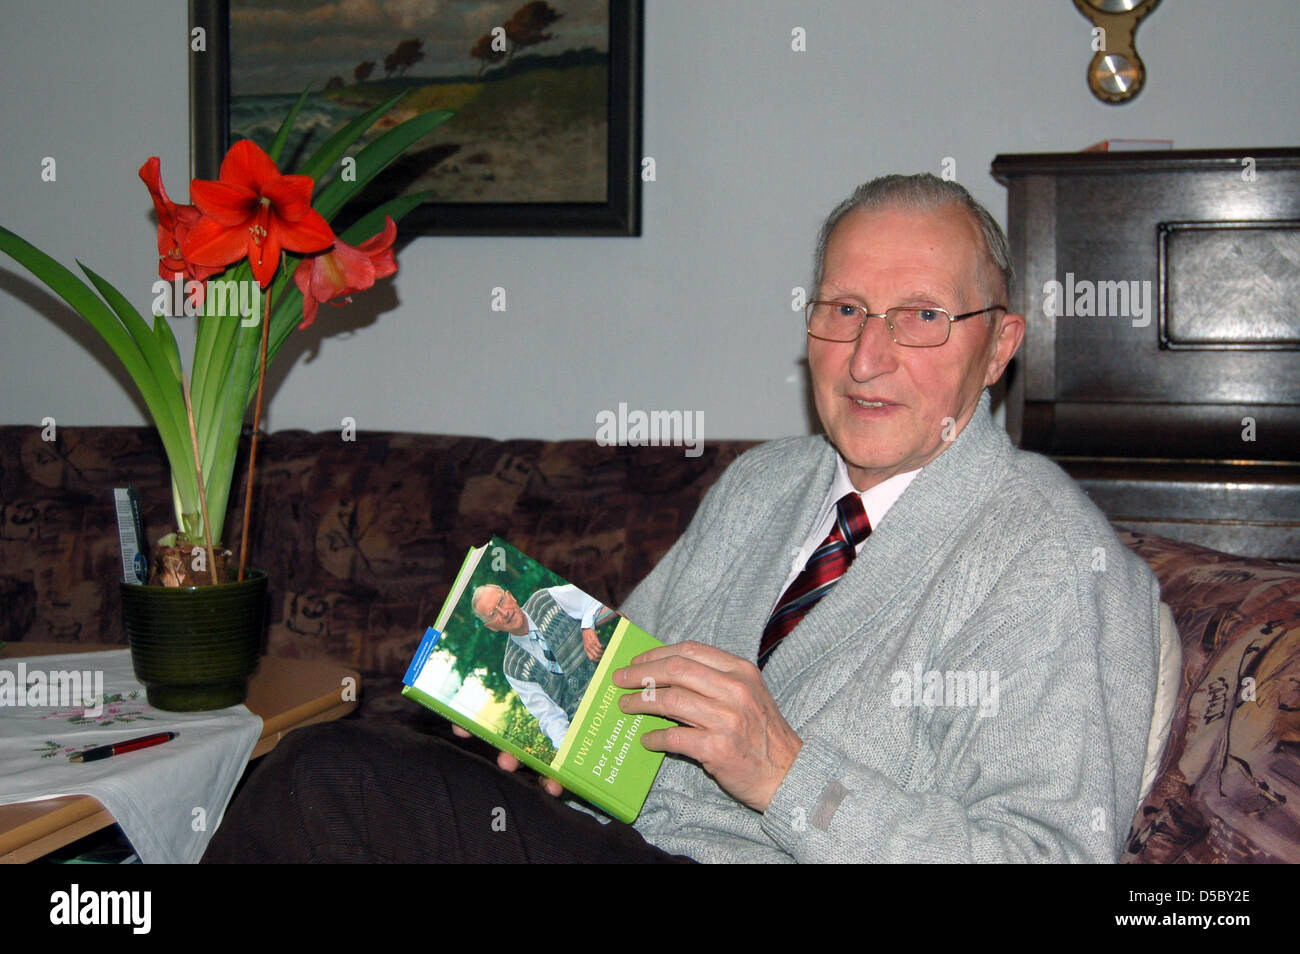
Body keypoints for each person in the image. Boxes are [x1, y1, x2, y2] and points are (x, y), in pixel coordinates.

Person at [202, 173, 1160, 864]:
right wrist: (558, 745)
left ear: (998, 348)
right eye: (844, 310)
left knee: (335, 781)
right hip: (620, 840)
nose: (868, 359)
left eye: (920, 318)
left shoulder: (1047, 552)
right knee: (362, 761)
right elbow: (629, 692)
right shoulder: (765, 487)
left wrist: (785, 770)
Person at [471, 583, 607, 748]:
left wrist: (587, 625)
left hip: (610, 681)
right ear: (491, 627)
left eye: (501, 601)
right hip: (587, 724)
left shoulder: (545, 600)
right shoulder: (513, 668)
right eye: (493, 614)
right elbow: (550, 717)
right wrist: (568, 750)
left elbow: (593, 596)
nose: (504, 613)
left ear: (511, 596)